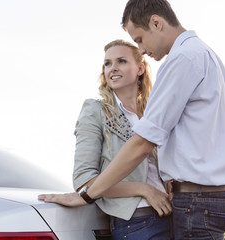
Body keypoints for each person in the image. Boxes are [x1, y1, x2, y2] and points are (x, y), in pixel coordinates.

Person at [39, 0, 225, 239]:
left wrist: (87, 195)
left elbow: (143, 143)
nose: (142, 48)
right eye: (107, 63)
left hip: (198, 201)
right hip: (212, 197)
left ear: (156, 23)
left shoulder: (183, 59)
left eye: (139, 39)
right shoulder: (205, 54)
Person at [39, 39, 172, 240]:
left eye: (121, 61)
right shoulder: (96, 110)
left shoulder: (154, 113)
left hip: (174, 217)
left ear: (140, 69)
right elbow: (85, 179)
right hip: (137, 223)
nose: (113, 68)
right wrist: (145, 189)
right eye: (107, 63)